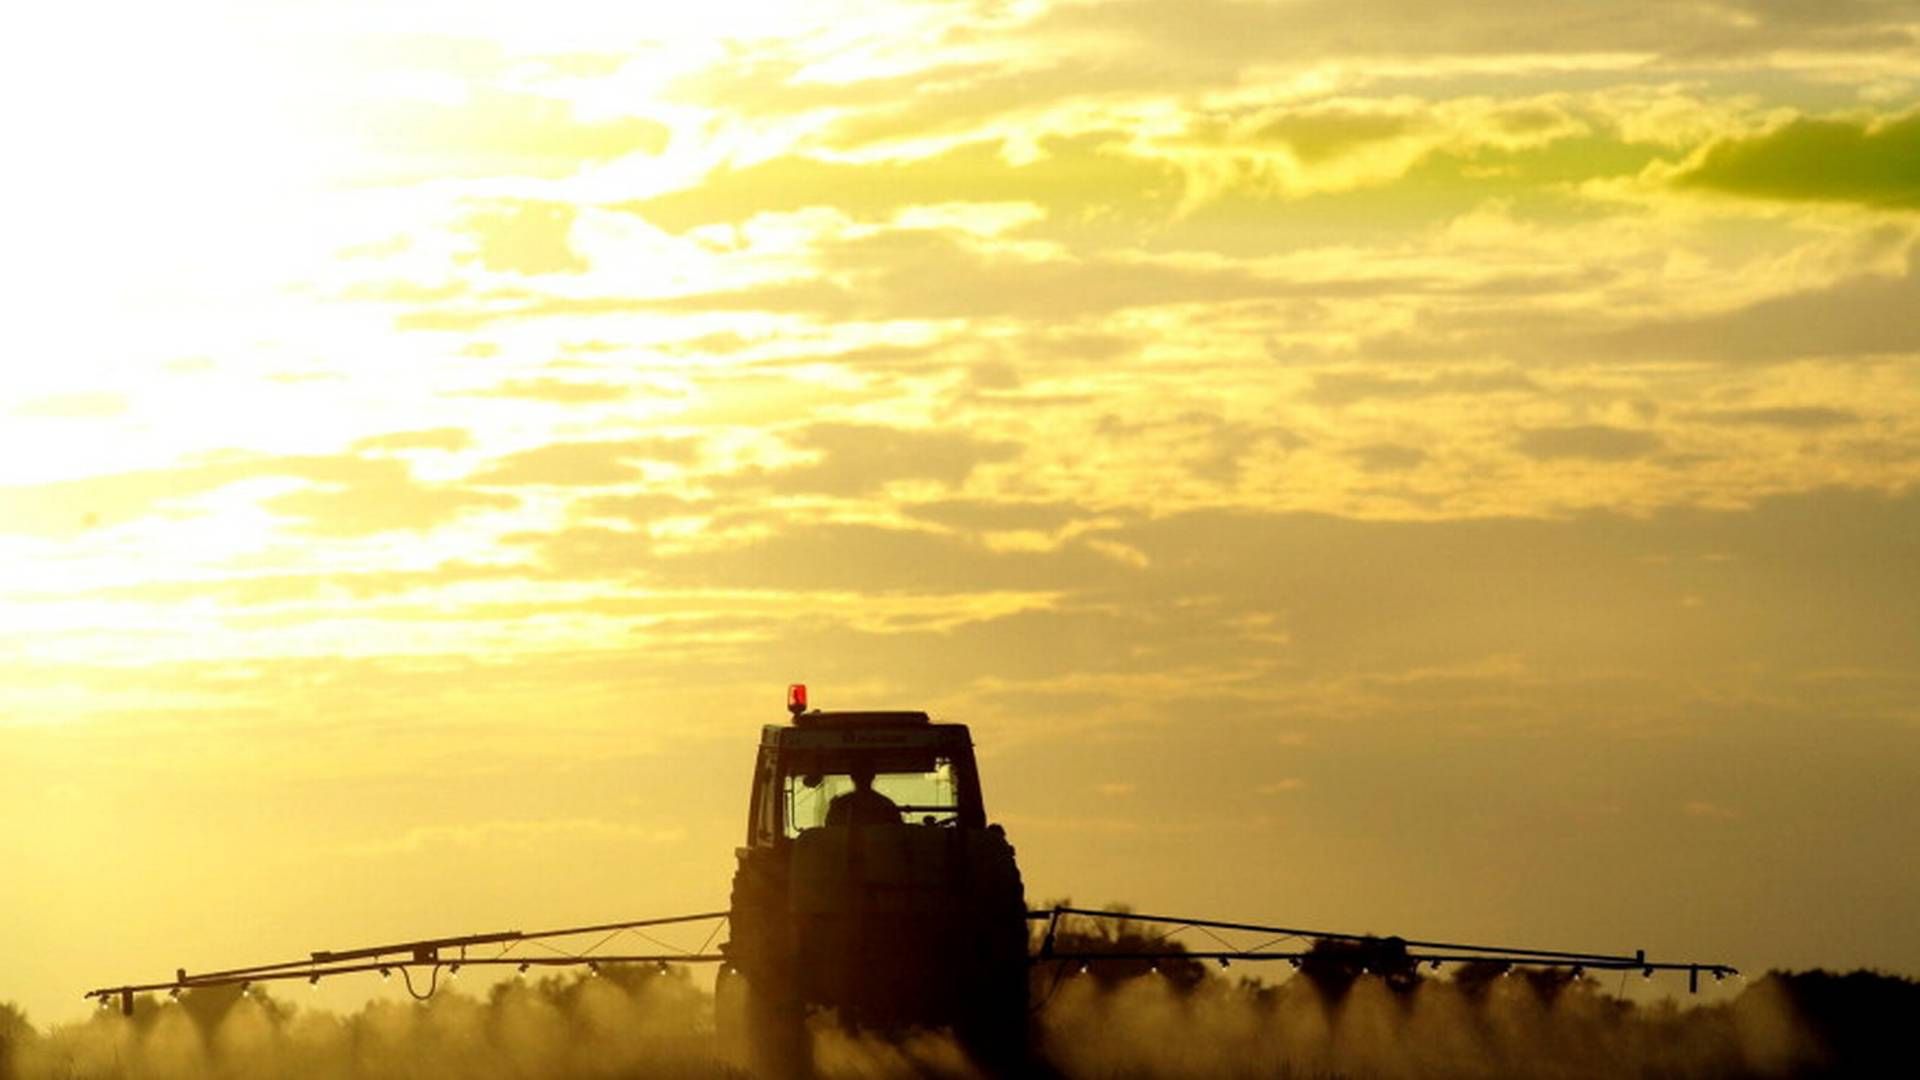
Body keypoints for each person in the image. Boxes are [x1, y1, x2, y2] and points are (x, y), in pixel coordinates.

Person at [825, 763, 902, 826]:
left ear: (852, 776)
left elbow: (829, 831)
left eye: (864, 774)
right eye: (860, 774)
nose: (862, 778)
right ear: (873, 776)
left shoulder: (840, 804)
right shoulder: (885, 803)